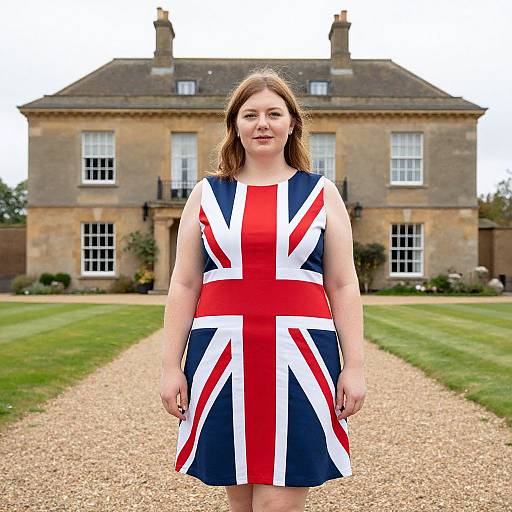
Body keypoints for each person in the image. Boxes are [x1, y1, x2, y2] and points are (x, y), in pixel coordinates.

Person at [160, 68, 366, 512]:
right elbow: (184, 282)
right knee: (240, 502)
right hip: (221, 357)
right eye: (250, 114)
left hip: (302, 358)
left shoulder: (321, 193)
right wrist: (169, 367)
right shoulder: (207, 194)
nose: (263, 123)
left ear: (292, 122)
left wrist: (355, 367)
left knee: (278, 503)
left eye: (274, 113)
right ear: (235, 124)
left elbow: (343, 284)